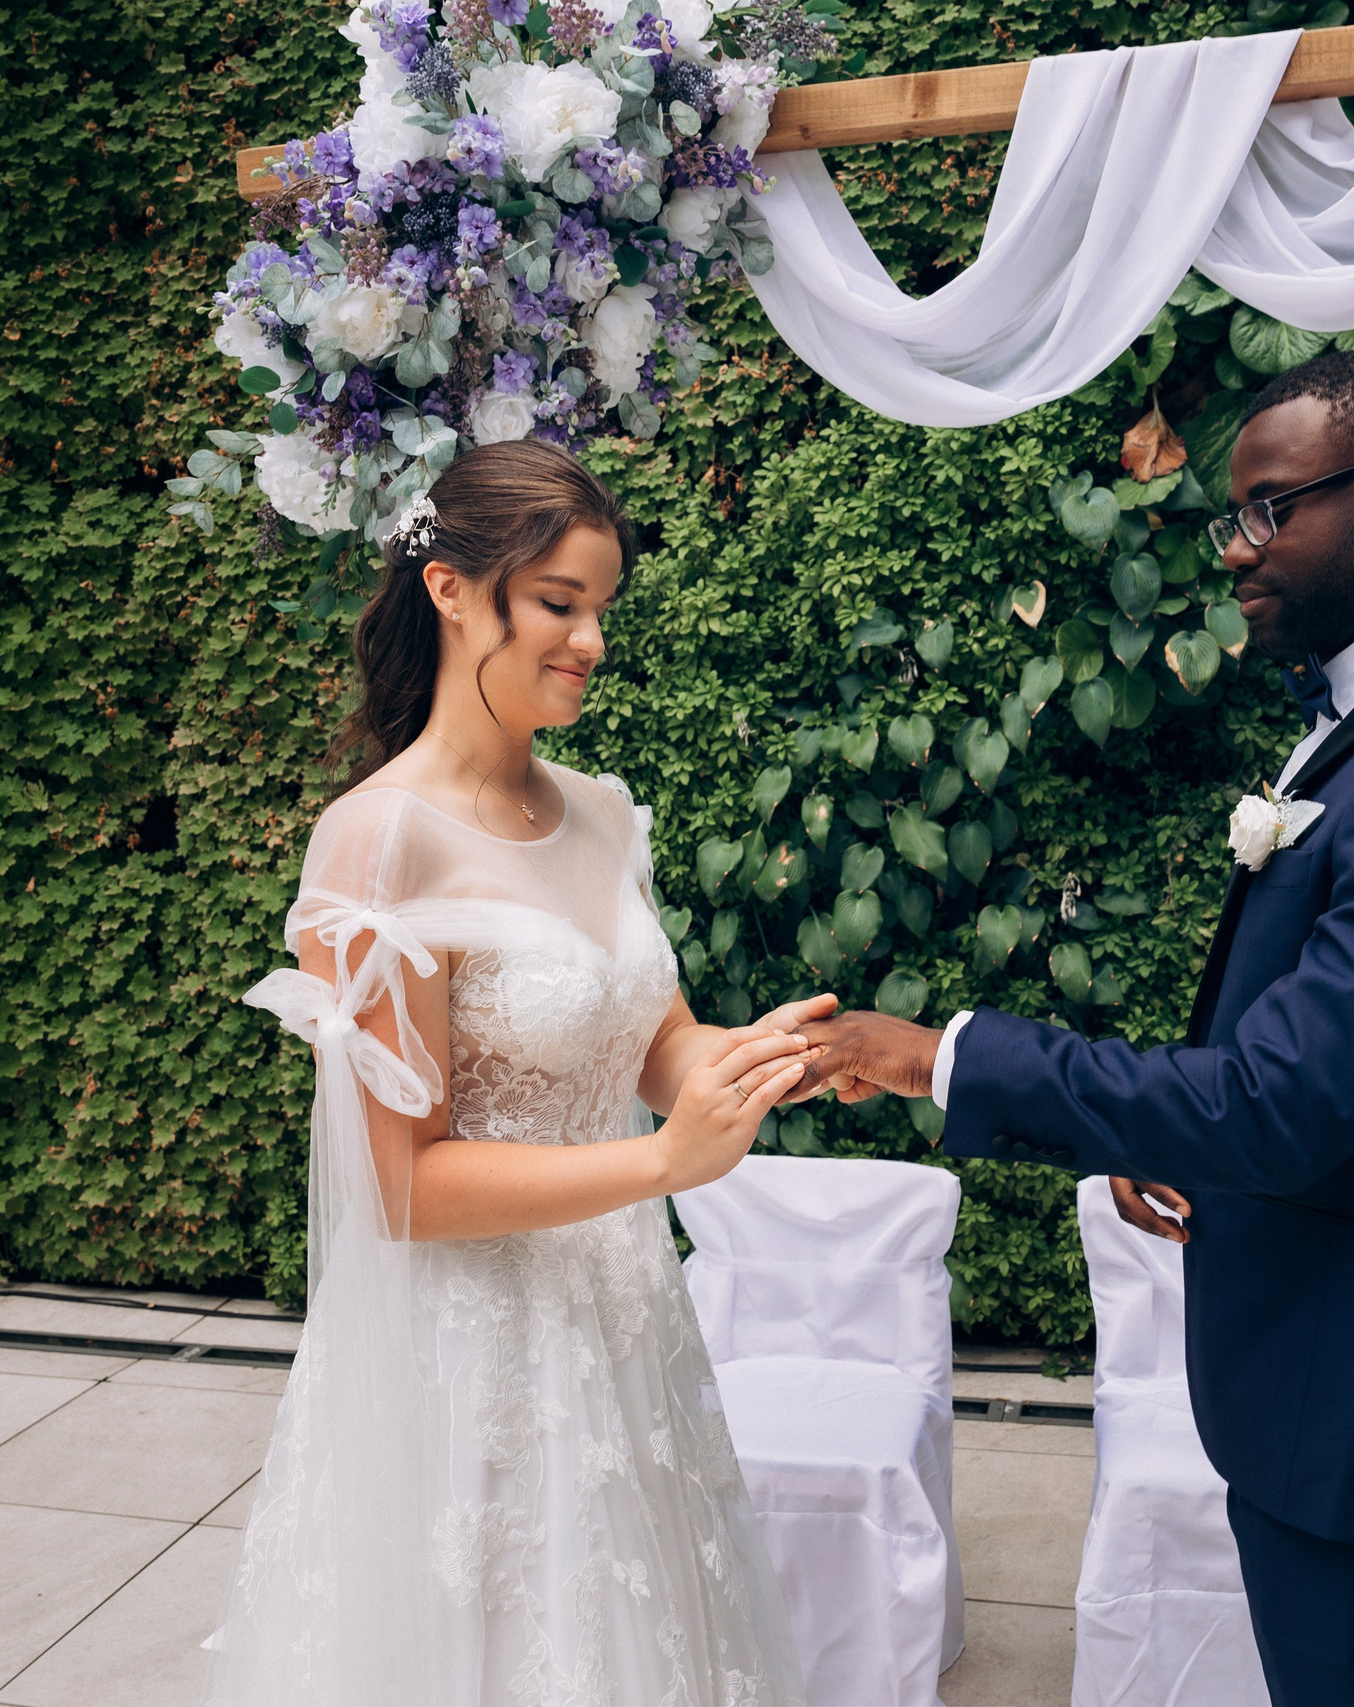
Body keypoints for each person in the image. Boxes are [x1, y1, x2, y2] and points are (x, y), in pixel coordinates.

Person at [799, 348, 1354, 1707]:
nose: (1235, 548)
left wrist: (934, 1053)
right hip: (1327, 1397)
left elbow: (1283, 1100)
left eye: (1269, 507)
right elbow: (1325, 1063)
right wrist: (1190, 1143)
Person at [204, 441, 826, 1706]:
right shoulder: (380, 844)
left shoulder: (600, 807)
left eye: (601, 609)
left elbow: (654, 1041)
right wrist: (662, 1163)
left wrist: (762, 1059)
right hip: (470, 1358)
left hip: (622, 1316)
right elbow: (405, 1188)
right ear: (451, 590)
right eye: (558, 603)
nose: (591, 640)